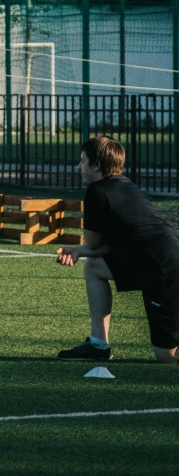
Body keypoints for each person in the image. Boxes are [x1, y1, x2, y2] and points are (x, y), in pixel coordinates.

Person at [56, 135, 179, 363]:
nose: (79, 166)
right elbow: (118, 242)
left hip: (162, 271)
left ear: (96, 164)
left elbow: (94, 243)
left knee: (168, 356)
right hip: (160, 261)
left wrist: (84, 248)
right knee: (94, 267)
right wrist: (81, 252)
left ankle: (99, 346)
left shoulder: (96, 192)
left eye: (83, 161)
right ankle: (98, 345)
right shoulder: (126, 184)